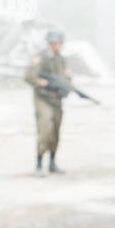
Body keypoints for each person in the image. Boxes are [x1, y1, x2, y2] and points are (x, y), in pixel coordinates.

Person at [23, 29, 69, 175]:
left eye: (59, 43)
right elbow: (29, 76)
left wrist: (65, 85)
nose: (57, 46)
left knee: (55, 130)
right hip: (43, 99)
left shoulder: (61, 59)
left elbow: (66, 77)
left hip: (56, 99)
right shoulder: (40, 58)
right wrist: (40, 82)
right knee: (45, 129)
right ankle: (39, 163)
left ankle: (52, 162)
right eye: (54, 43)